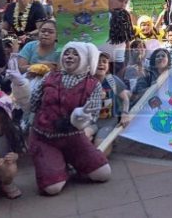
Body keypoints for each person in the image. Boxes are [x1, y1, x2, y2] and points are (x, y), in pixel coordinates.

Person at [26, 42, 110, 195]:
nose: (69, 56)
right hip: (45, 138)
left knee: (103, 174)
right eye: (67, 53)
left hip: (74, 137)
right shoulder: (49, 76)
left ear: (84, 58)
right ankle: (58, 164)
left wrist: (79, 119)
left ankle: (65, 161)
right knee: (52, 188)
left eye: (75, 54)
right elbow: (33, 104)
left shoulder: (93, 84)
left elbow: (93, 114)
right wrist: (21, 89)